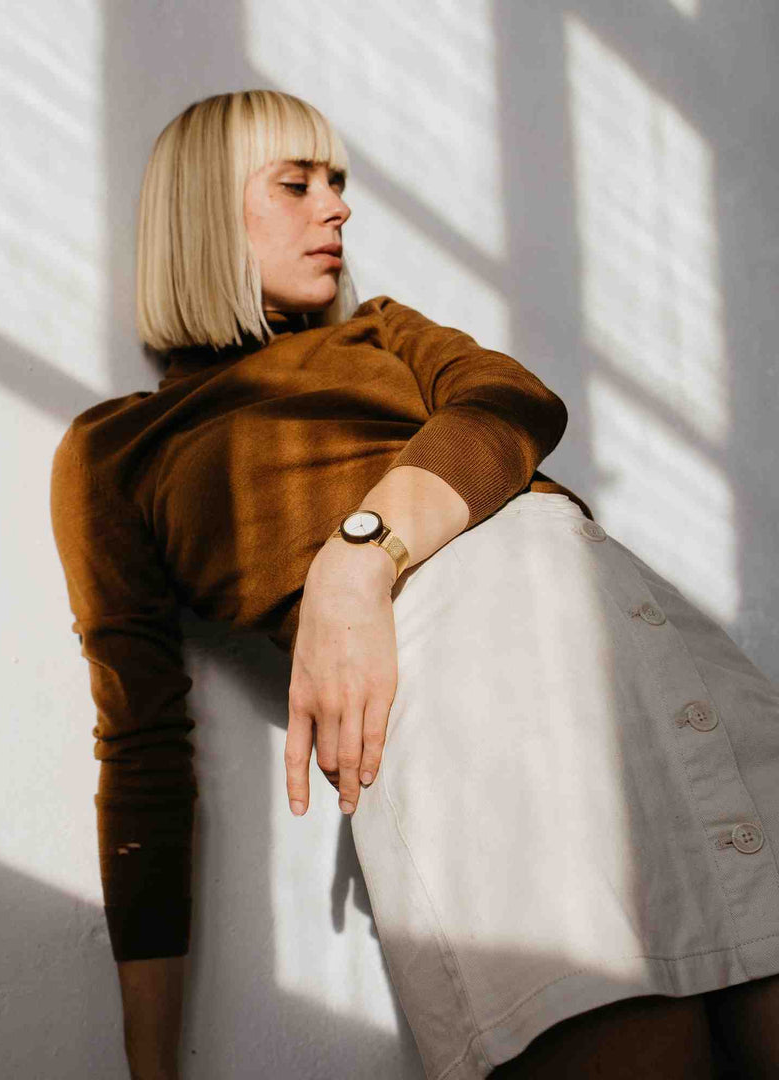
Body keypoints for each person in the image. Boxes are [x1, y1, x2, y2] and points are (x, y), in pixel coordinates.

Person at [50, 89, 779, 1079]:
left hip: (649, 654)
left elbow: (513, 399)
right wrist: (151, 1065)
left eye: (337, 182)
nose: (337, 207)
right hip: (479, 721)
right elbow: (142, 749)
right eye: (296, 183)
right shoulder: (118, 450)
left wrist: (360, 556)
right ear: (204, 209)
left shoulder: (383, 332)